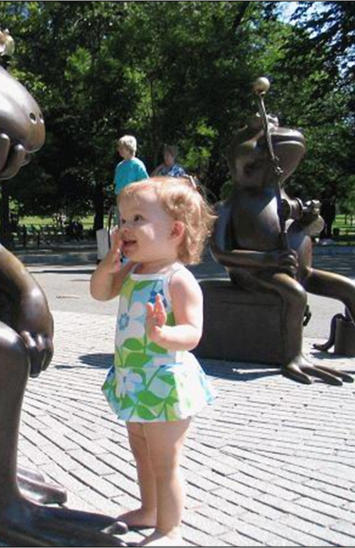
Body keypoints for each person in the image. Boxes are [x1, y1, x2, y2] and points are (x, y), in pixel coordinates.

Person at [90, 176, 217, 546]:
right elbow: (100, 293)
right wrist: (108, 265)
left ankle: (169, 528)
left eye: (137, 219)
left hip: (165, 384)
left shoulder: (178, 280)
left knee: (165, 461)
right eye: (124, 219)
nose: (124, 228)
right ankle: (149, 510)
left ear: (175, 231)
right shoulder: (131, 269)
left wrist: (164, 335)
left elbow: (193, 333)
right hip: (134, 380)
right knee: (142, 455)